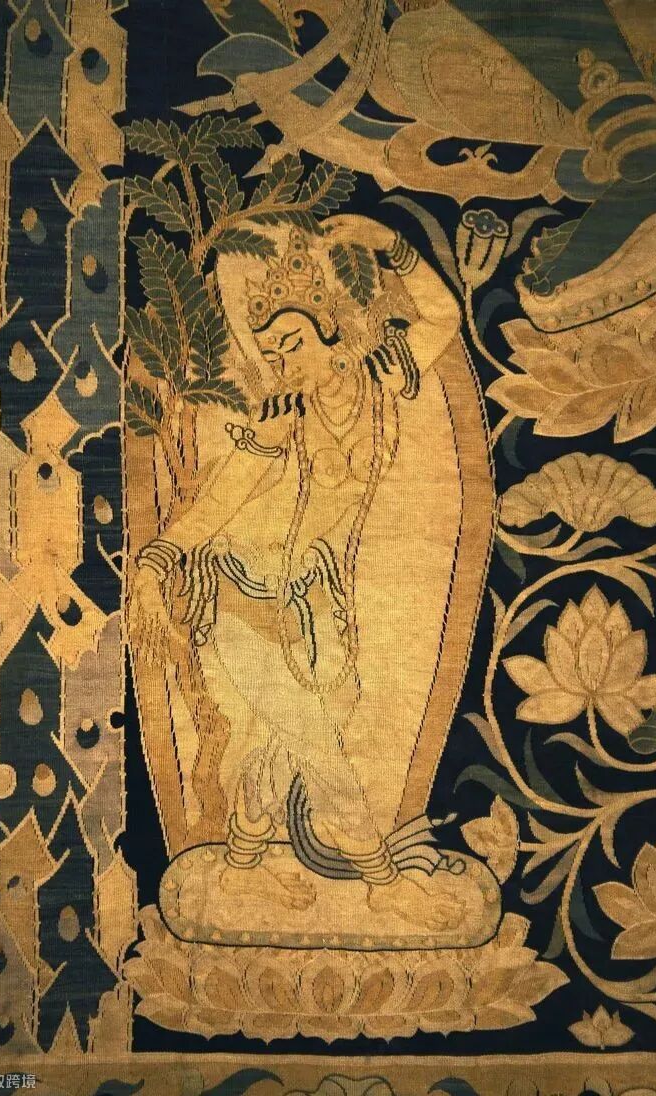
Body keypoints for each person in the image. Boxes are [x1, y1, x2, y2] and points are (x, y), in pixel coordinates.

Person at [128, 217, 486, 929]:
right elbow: (223, 496)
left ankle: (241, 867)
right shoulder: (278, 418)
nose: (281, 363)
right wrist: (159, 556)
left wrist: (389, 243)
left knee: (279, 739)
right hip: (241, 594)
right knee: (317, 743)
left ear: (334, 335)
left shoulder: (378, 384)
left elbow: (443, 318)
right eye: (270, 353)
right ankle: (383, 882)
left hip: (309, 595)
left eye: (292, 345)